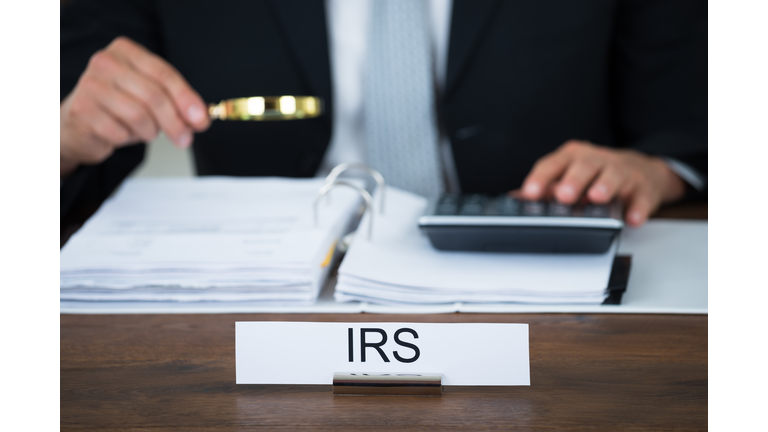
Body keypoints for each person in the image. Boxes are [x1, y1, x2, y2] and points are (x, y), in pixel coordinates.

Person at [60, 0, 706, 228]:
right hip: (256, 293)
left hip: (540, 279)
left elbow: (695, 118)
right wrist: (57, 137)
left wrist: (658, 169)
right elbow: (75, 115)